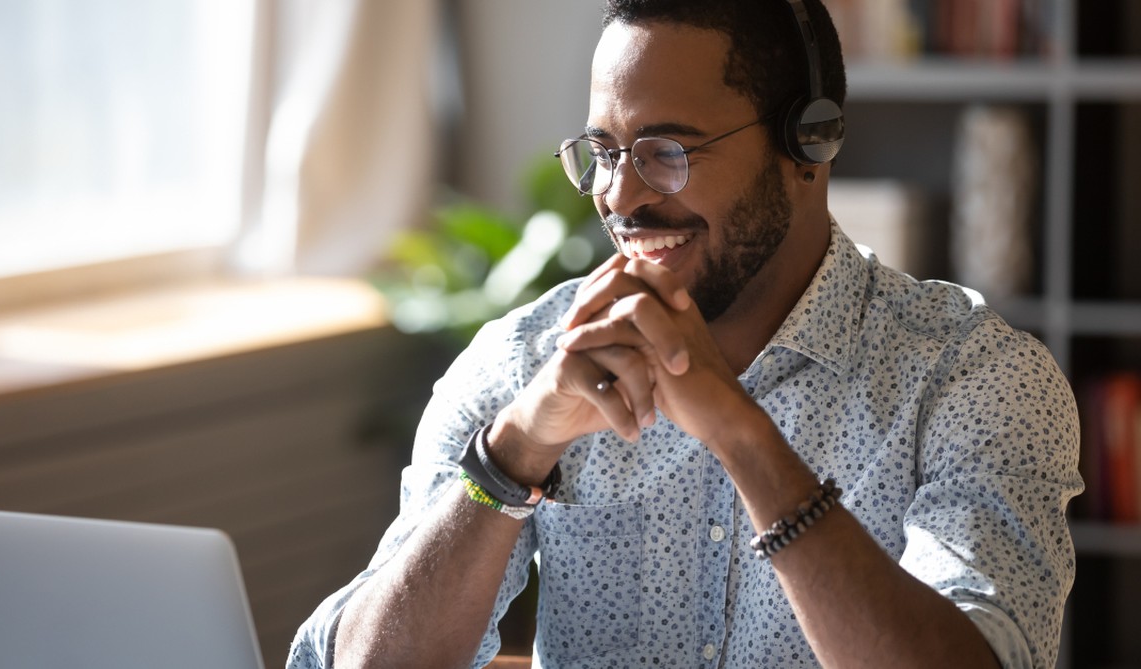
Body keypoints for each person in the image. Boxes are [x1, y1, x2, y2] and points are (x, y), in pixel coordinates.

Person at [287, 0, 1083, 667]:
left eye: (667, 151)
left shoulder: (975, 379)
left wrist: (742, 435)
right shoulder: (528, 360)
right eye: (603, 151)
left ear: (808, 143)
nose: (620, 196)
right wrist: (513, 454)